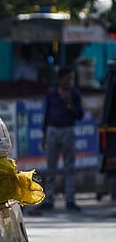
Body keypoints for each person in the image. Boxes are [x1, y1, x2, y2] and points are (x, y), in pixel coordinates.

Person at [37, 66, 84, 212]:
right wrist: (44, 134)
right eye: (68, 78)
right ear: (61, 79)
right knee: (51, 167)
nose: (70, 81)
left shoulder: (75, 93)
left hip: (67, 130)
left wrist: (69, 103)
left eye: (72, 79)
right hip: (52, 130)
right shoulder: (51, 93)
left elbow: (80, 115)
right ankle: (49, 198)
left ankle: (70, 199)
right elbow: (47, 114)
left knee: (70, 166)